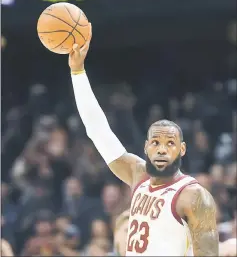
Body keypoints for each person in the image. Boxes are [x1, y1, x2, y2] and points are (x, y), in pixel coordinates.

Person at [68, 24, 219, 256]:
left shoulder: (194, 195)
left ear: (183, 149)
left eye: (170, 144)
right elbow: (97, 130)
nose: (162, 149)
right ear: (146, 147)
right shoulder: (138, 174)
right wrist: (78, 72)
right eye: (156, 143)